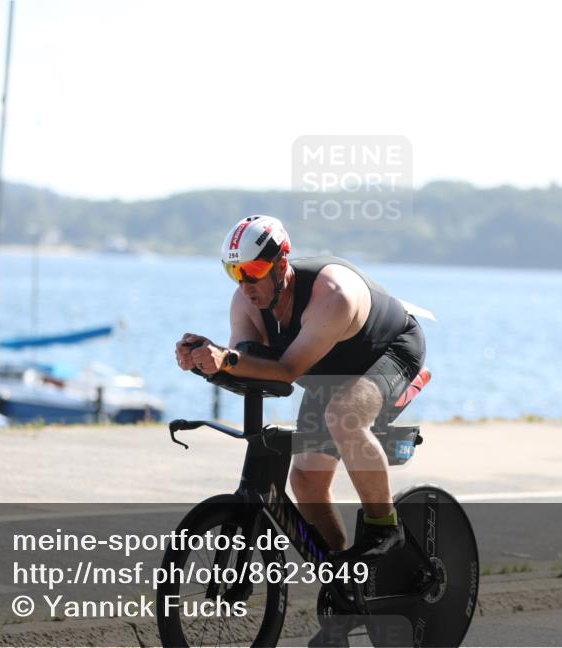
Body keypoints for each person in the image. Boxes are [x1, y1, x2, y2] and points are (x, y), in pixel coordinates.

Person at [174, 215, 426, 562]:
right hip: (326, 367)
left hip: (387, 352)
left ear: (281, 264)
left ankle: (386, 528)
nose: (245, 284)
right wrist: (207, 366)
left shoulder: (330, 295)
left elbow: (287, 371)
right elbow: (254, 376)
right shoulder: (246, 304)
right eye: (235, 273)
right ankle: (344, 582)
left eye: (255, 270)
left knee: (344, 417)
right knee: (306, 480)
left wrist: (227, 359)